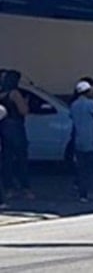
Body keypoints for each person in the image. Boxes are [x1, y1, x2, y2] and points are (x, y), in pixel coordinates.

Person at [70, 81, 93, 203]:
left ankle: (83, 194)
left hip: (79, 140)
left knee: (82, 170)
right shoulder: (91, 104)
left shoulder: (74, 105)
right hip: (92, 140)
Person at [0, 70, 32, 199]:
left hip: (3, 128)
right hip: (16, 128)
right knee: (21, 159)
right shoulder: (15, 94)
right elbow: (23, 110)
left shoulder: (2, 94)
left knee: (7, 160)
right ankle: (25, 187)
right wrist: (26, 103)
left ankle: (8, 188)